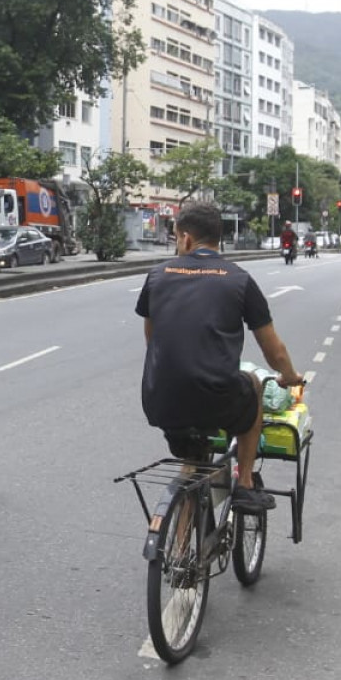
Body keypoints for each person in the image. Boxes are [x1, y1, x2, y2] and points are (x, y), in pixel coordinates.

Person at [137, 203, 305, 511]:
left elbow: (153, 338)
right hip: (217, 399)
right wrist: (291, 377)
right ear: (219, 238)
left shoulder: (157, 275)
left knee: (192, 458)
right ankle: (245, 485)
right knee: (252, 384)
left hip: (159, 400)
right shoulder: (238, 279)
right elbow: (274, 350)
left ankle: (182, 537)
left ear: (185, 238)